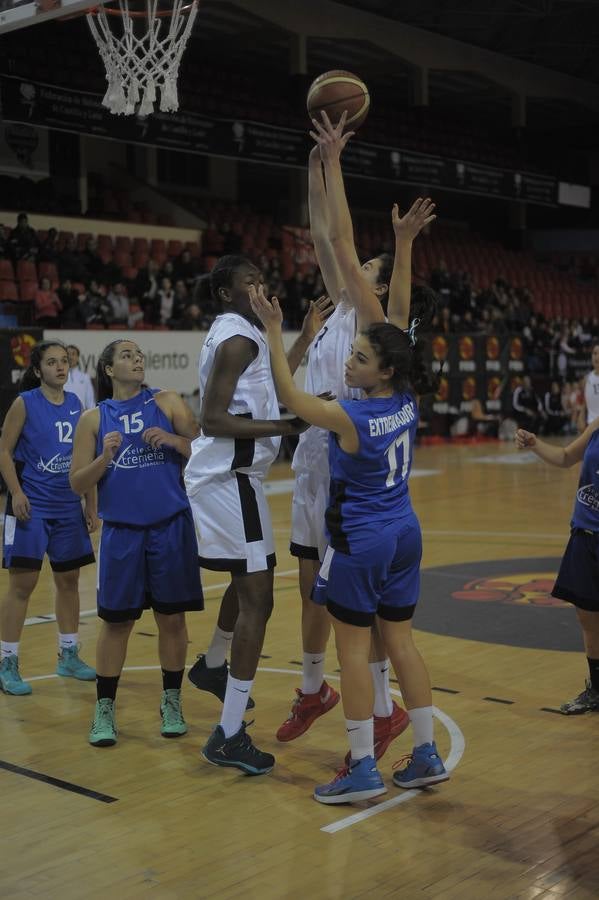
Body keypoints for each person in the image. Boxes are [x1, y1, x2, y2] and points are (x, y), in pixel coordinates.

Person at [276, 115, 436, 764]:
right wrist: (316, 165)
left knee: (353, 610)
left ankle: (371, 722)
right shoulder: (347, 313)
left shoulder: (378, 328)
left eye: (369, 267)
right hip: (318, 462)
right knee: (312, 586)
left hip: (349, 469)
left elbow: (340, 240)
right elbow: (324, 233)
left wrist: (337, 161)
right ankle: (320, 692)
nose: (353, 267)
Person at [250, 284, 448, 803]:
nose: (348, 363)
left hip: (361, 541)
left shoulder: (351, 417)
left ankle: (362, 765)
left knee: (354, 655)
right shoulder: (406, 399)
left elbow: (289, 397)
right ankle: (427, 754)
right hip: (405, 531)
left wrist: (275, 332)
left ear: (384, 371)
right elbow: (397, 321)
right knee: (402, 643)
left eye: (359, 359)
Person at [184, 255, 329, 776]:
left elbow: (272, 379)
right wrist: (287, 427)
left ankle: (214, 664)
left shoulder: (246, 332)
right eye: (249, 281)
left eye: (263, 278)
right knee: (259, 598)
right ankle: (227, 734)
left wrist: (305, 336)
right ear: (225, 293)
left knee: (251, 579)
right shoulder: (238, 338)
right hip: (228, 478)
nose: (260, 287)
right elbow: (213, 418)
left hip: (238, 479)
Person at [69, 340, 203, 746]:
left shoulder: (166, 401)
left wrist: (175, 440)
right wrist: (104, 458)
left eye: (139, 354)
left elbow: (204, 449)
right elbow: (77, 482)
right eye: (126, 355)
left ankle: (172, 701)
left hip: (170, 526)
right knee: (116, 623)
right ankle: (104, 710)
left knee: (172, 620)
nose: (137, 359)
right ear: (108, 369)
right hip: (122, 532)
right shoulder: (94, 418)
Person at [0, 341, 97, 695]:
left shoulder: (76, 405)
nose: (60, 367)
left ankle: (68, 654)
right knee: (22, 586)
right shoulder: (24, 403)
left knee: (69, 581)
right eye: (52, 362)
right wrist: (17, 493)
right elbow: (4, 451)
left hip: (67, 507)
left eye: (63, 362)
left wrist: (90, 503)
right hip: (30, 508)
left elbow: (85, 461)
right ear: (38, 370)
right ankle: (7, 662)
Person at [515, 420, 599, 715]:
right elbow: (565, 457)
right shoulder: (598, 424)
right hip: (586, 533)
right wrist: (535, 444)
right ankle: (597, 690)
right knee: (588, 616)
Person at [65, 345, 95, 411]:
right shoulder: (59, 376)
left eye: (73, 354)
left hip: (81, 416)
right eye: (68, 354)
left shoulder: (85, 377)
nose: (70, 357)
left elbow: (90, 401)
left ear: (78, 357)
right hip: (62, 415)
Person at [580, 343, 599, 429]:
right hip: (591, 428)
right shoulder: (586, 379)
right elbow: (585, 403)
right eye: (595, 353)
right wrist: (581, 417)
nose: (597, 357)